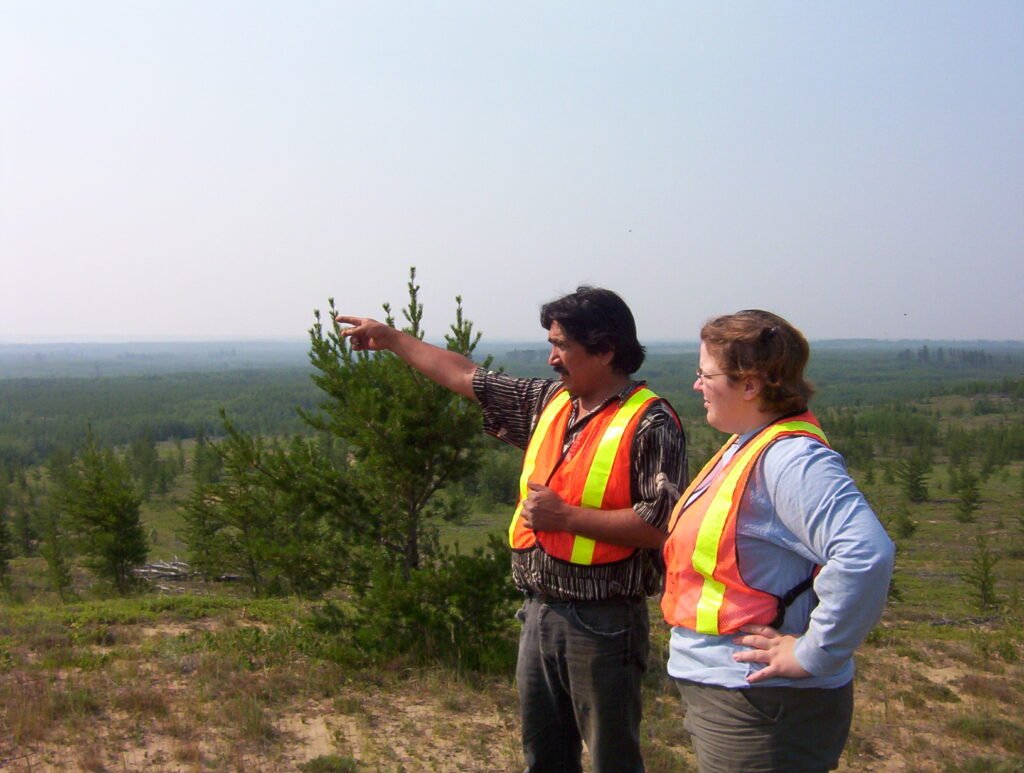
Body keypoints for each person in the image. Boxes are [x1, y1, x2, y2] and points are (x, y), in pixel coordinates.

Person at [337, 286, 687, 773]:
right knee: (544, 757)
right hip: (539, 613)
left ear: (606, 350)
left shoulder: (651, 422)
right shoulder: (551, 402)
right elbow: (465, 375)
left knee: (613, 761)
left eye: (562, 345)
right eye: (552, 343)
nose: (552, 358)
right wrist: (392, 339)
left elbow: (664, 526)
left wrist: (566, 518)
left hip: (604, 625)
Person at [661, 309, 895, 773]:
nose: (696, 385)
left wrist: (813, 653)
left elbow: (866, 553)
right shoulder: (748, 441)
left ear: (750, 385)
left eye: (706, 374)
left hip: (763, 706)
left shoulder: (790, 458)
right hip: (742, 697)